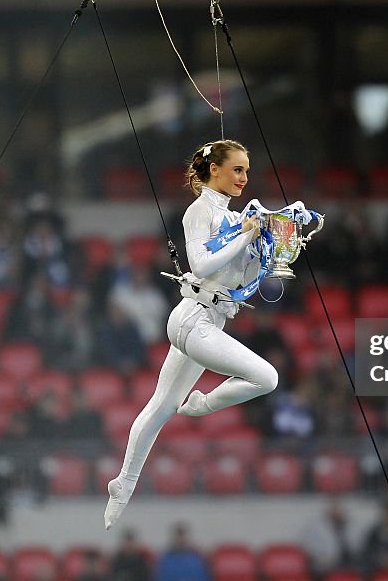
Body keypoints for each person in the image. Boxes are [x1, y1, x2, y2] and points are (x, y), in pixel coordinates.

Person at [103, 140, 279, 530]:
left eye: (247, 171)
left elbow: (238, 275)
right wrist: (247, 236)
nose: (244, 178)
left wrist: (269, 249)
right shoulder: (199, 210)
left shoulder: (234, 218)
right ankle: (202, 405)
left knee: (161, 407)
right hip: (193, 319)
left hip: (209, 319)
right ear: (214, 169)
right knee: (267, 377)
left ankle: (123, 484)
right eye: (237, 169)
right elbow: (200, 264)